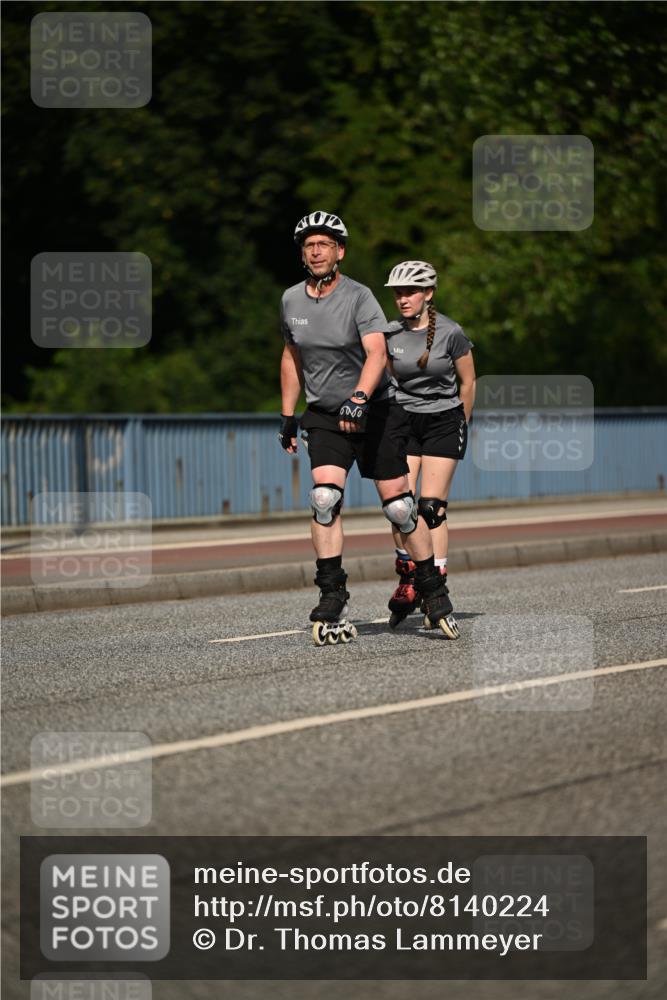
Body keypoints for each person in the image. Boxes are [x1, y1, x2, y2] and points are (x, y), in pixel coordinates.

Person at [278, 214, 458, 643]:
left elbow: (376, 353)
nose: (316, 251)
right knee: (324, 499)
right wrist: (287, 413)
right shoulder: (290, 300)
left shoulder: (360, 297)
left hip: (375, 410)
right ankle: (332, 593)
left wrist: (359, 397)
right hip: (324, 414)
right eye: (309, 246)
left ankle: (433, 590)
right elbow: (291, 356)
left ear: (340, 251)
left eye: (325, 244)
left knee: (399, 508)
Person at [383, 260, 476, 627]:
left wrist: (461, 424)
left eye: (409, 292)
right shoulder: (389, 335)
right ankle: (409, 577)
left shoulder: (451, 332)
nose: (402, 299)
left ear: (428, 294)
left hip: (443, 421)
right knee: (399, 506)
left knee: (431, 507)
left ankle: (436, 579)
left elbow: (468, 382)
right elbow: (388, 381)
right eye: (398, 293)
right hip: (404, 421)